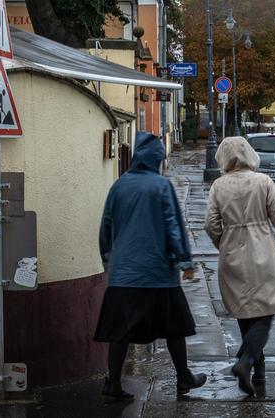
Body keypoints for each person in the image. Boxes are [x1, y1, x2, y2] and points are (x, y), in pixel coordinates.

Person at [94, 132, 207, 400]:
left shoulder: (119, 185)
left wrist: (109, 260)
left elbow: (106, 226)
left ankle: (114, 384)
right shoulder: (161, 186)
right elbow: (174, 226)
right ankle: (183, 378)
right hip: (158, 274)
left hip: (124, 275)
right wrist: (185, 261)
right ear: (157, 157)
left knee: (119, 331)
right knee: (174, 328)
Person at [204, 136, 275, 396]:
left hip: (231, 254)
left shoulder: (218, 186)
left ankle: (258, 371)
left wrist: (223, 244)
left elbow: (211, 224)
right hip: (263, 251)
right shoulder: (263, 182)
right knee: (266, 310)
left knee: (245, 311)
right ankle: (246, 361)